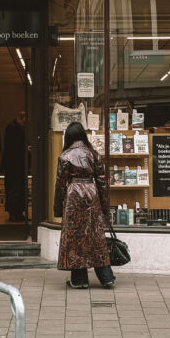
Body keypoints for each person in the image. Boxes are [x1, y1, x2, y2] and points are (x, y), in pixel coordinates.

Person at [53, 121, 115, 290]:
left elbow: (60, 185)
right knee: (95, 236)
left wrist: (57, 208)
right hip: (92, 193)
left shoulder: (65, 156)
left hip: (73, 195)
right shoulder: (94, 155)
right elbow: (103, 183)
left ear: (69, 136)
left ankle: (79, 279)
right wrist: (105, 209)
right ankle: (106, 277)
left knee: (75, 238)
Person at [0, 110, 27, 222]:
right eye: (24, 121)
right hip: (16, 165)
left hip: (10, 165)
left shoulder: (10, 127)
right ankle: (17, 213)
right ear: (21, 119)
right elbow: (17, 147)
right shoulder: (16, 129)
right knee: (17, 189)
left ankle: (12, 213)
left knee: (11, 189)